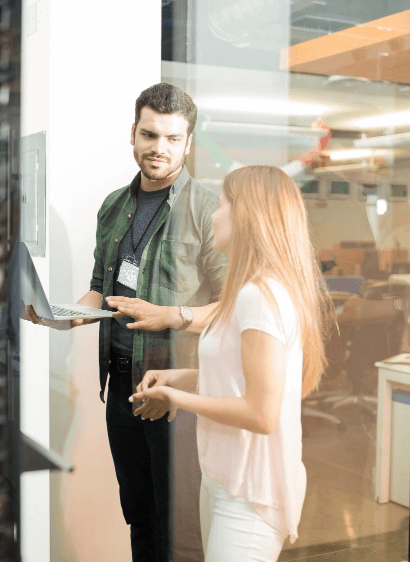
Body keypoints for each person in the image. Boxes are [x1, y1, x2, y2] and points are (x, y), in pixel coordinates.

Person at [24, 84, 329, 562]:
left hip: (187, 393)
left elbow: (234, 308)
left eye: (172, 138)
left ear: (188, 143)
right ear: (133, 134)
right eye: (149, 134)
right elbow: (99, 289)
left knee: (181, 526)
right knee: (140, 513)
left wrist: (173, 316)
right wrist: (60, 316)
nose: (159, 148)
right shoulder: (113, 207)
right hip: (126, 384)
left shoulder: (212, 211)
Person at [130, 165, 332, 561]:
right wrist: (183, 378)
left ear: (247, 216)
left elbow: (261, 413)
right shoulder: (249, 293)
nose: (213, 215)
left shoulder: (261, 296)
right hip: (224, 480)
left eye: (222, 205)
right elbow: (240, 379)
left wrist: (177, 397)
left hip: (249, 495)